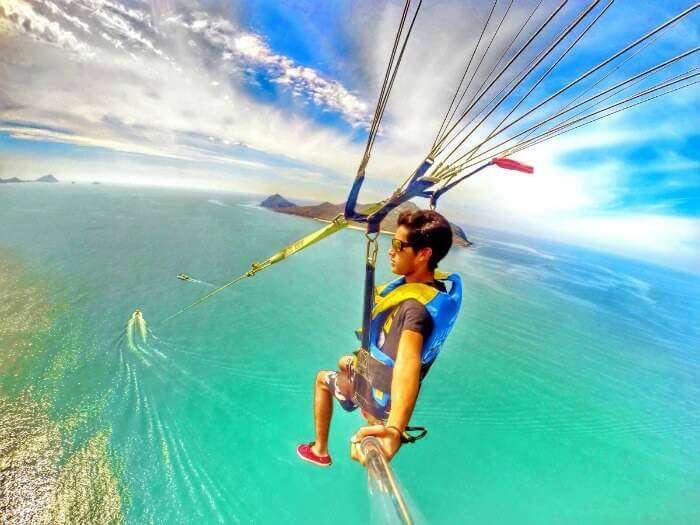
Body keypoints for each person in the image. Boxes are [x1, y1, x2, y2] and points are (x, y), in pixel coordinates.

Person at [297, 209, 462, 467]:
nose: (390, 250)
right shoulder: (437, 292)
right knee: (344, 361)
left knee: (321, 379)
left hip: (380, 397)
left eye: (398, 245)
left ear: (424, 254)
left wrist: (394, 430)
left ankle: (320, 451)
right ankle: (367, 408)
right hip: (383, 384)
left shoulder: (413, 311)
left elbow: (407, 365)